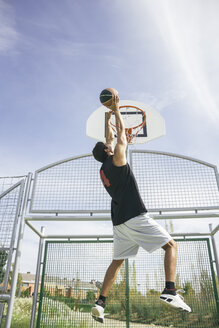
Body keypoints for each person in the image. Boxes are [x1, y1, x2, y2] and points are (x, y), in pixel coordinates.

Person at [91, 92, 191, 323]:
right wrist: (116, 110)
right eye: (109, 145)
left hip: (118, 222)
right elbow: (121, 140)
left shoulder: (103, 168)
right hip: (134, 215)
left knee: (117, 262)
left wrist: (107, 123)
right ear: (108, 151)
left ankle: (101, 302)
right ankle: (169, 290)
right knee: (171, 245)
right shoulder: (116, 159)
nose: (112, 144)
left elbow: (109, 140)